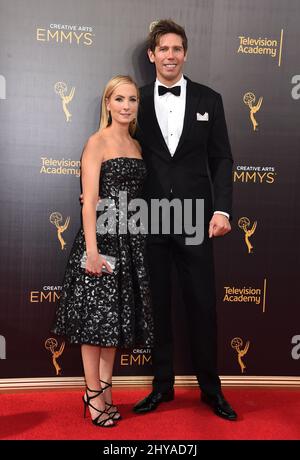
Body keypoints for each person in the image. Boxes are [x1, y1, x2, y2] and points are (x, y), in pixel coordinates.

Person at [133, 19, 237, 421]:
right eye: (164, 49)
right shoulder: (135, 99)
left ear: (185, 53)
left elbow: (222, 158)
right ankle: (162, 387)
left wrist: (223, 209)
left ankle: (212, 391)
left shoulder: (210, 99)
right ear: (152, 55)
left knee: (202, 305)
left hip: (196, 217)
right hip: (150, 215)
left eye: (177, 49)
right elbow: (118, 154)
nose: (170, 56)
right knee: (157, 304)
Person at [52, 75, 154, 427]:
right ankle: (93, 396)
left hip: (130, 242)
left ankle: (105, 392)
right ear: (108, 104)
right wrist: (91, 252)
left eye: (132, 100)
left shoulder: (138, 146)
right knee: (95, 323)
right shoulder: (97, 142)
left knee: (114, 324)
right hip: (102, 240)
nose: (126, 106)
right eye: (119, 100)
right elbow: (89, 201)